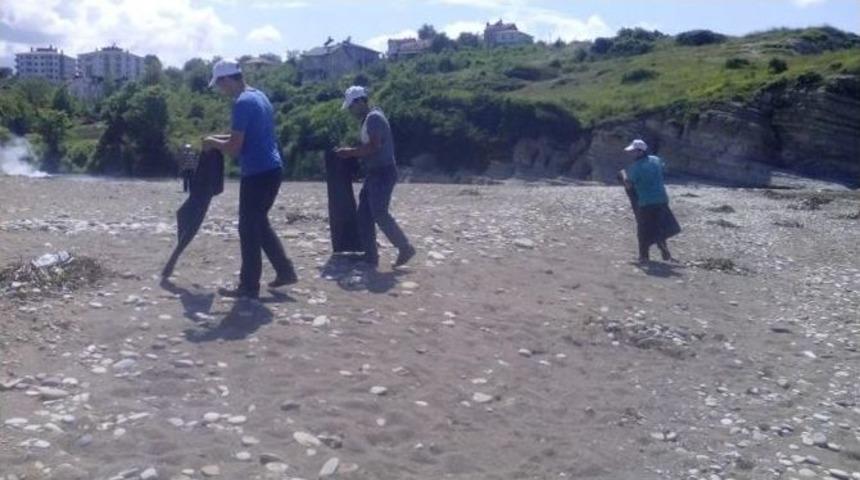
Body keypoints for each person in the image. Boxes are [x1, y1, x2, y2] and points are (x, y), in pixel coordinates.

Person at [203, 59, 297, 299]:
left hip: (257, 173)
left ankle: (248, 286)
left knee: (248, 228)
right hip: (272, 169)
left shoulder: (242, 104)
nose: (221, 91)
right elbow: (244, 136)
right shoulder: (259, 96)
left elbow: (235, 147)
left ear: (226, 80)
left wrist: (213, 143)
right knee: (259, 223)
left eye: (220, 85)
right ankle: (285, 271)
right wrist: (215, 137)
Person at [334, 86, 416, 269]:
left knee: (379, 212)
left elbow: (373, 147)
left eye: (350, 106)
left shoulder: (373, 119)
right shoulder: (371, 117)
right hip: (376, 172)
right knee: (364, 214)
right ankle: (370, 256)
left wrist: (350, 152)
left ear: (360, 102)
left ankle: (405, 247)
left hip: (382, 172)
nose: (350, 110)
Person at [618, 139, 681, 263]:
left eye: (633, 151)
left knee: (643, 229)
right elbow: (663, 168)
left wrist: (623, 177)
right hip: (662, 199)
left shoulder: (635, 168)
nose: (631, 154)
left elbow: (629, 186)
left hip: (646, 201)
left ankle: (643, 256)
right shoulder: (656, 160)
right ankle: (665, 251)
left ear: (640, 151)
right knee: (659, 227)